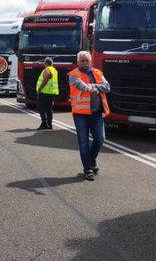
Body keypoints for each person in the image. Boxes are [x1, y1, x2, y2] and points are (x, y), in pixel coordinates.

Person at [68, 51, 111, 181]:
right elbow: (81, 85)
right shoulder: (73, 75)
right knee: (83, 143)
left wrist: (93, 86)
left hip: (97, 113)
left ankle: (91, 162)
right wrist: (91, 88)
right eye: (83, 61)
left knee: (100, 138)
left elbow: (107, 87)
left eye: (87, 60)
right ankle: (88, 169)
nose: (85, 63)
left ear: (90, 61)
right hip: (81, 114)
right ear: (78, 62)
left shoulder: (97, 73)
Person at [36, 57, 58, 130]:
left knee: (41, 108)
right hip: (51, 93)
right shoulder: (54, 70)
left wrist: (39, 89)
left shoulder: (47, 69)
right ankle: (50, 124)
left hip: (44, 92)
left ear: (45, 63)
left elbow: (45, 79)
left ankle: (44, 124)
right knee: (49, 109)